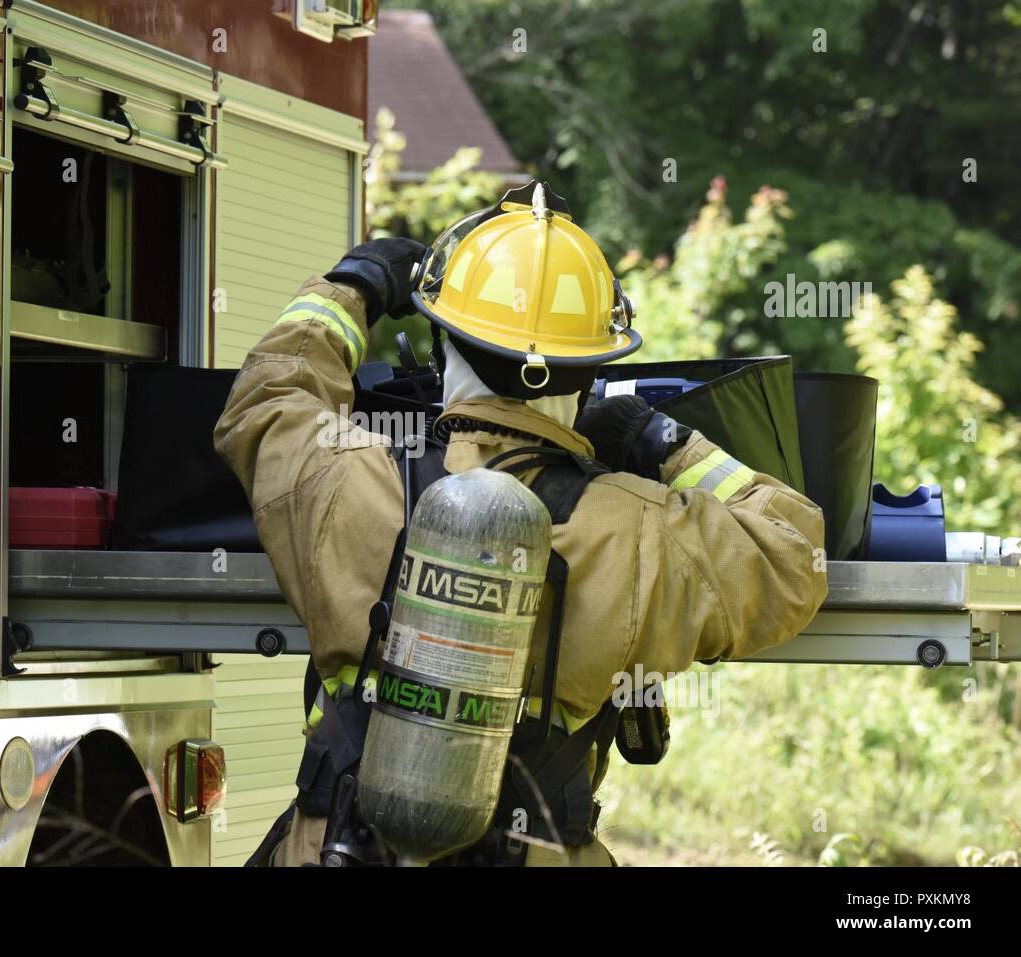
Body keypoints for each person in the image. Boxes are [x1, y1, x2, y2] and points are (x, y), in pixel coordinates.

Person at [214, 182, 827, 866]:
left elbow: (266, 398)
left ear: (444, 342)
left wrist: (353, 287)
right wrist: (660, 439)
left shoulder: (347, 480)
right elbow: (793, 554)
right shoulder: (639, 528)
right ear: (592, 371)